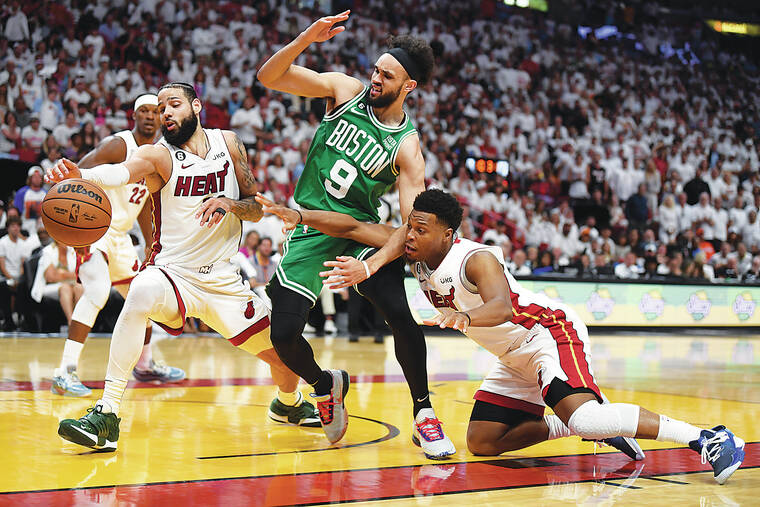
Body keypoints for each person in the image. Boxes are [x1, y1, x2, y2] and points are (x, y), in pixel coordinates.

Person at [256, 189, 746, 485]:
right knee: (484, 442)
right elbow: (351, 225)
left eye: (420, 229)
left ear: (448, 234)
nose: (410, 236)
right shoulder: (415, 248)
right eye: (409, 227)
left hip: (547, 335)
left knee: (587, 415)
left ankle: (707, 438)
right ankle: (583, 426)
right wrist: (296, 215)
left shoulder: (476, 258)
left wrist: (463, 320)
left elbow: (502, 308)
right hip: (511, 356)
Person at [46, 82, 319, 452]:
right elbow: (120, 173)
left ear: (196, 106)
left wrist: (229, 204)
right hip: (173, 272)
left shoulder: (229, 143)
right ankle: (107, 414)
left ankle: (288, 405)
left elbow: (255, 207)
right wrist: (80, 174)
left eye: (172, 104)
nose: (165, 114)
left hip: (223, 280)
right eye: (161, 109)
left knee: (285, 358)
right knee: (140, 291)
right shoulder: (157, 155)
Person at [256, 11, 454, 457]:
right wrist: (306, 39)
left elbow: (411, 223)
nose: (375, 79)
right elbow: (269, 77)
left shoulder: (407, 145)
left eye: (387, 76)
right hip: (310, 224)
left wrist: (371, 265)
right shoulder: (344, 91)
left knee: (398, 313)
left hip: (360, 231)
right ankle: (324, 385)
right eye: (376, 70)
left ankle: (424, 413)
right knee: (282, 335)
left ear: (409, 86)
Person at [50, 94, 186, 397]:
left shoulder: (158, 155)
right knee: (97, 291)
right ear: (133, 116)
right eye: (144, 111)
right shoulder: (118, 145)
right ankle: (64, 372)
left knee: (145, 295)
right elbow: (76, 175)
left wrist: (152, 245)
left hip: (122, 237)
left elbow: (147, 206)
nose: (150, 116)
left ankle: (145, 365)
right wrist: (75, 227)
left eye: (155, 111)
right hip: (95, 229)